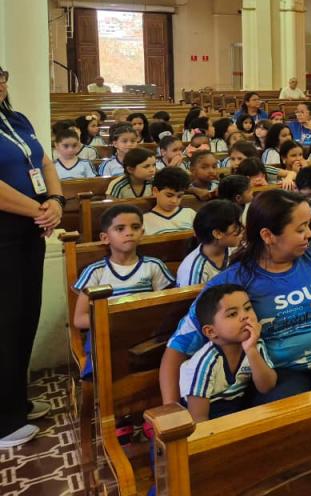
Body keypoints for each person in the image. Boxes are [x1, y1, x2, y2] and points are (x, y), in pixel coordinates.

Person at [159, 189, 311, 405]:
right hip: (276, 374)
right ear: (268, 235)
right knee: (295, 408)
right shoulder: (233, 281)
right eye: (301, 228)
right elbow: (178, 348)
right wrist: (171, 412)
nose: (310, 234)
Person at [0, 67, 66, 447]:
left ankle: (16, 401)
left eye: (3, 76)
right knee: (2, 322)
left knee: (25, 315)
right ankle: (1, 419)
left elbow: (44, 163)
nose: (1, 83)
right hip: (1, 236)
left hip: (29, 231)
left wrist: (55, 201)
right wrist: (38, 210)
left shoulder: (15, 119)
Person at [73, 205, 175, 375]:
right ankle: (102, 388)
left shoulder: (153, 266)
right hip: (108, 334)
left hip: (146, 332)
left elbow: (165, 307)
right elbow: (79, 319)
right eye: (120, 229)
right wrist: (114, 322)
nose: (129, 232)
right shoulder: (95, 272)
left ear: (142, 232)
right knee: (105, 353)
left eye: (135, 227)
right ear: (105, 237)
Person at [178, 284, 277, 421]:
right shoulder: (205, 362)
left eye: (248, 308)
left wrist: (251, 350)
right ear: (211, 332)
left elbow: (267, 386)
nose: (245, 316)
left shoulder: (255, 344)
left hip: (236, 409)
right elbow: (198, 419)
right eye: (232, 314)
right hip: (207, 415)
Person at [177, 200, 244, 286]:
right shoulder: (194, 270)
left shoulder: (236, 249)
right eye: (236, 227)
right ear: (218, 233)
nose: (242, 230)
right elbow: (195, 299)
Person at [144, 167, 195, 235]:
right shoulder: (144, 220)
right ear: (155, 191)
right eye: (169, 195)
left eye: (179, 196)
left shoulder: (190, 214)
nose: (174, 201)